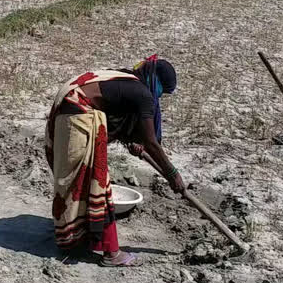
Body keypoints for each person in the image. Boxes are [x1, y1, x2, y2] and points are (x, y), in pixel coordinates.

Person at [44, 56, 184, 267]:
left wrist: (133, 142)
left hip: (68, 107)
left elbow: (114, 113)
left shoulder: (125, 79)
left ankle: (73, 239)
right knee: (96, 182)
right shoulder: (143, 94)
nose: (158, 98)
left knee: (76, 182)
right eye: (162, 92)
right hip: (79, 115)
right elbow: (151, 142)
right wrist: (173, 175)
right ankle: (111, 253)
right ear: (156, 83)